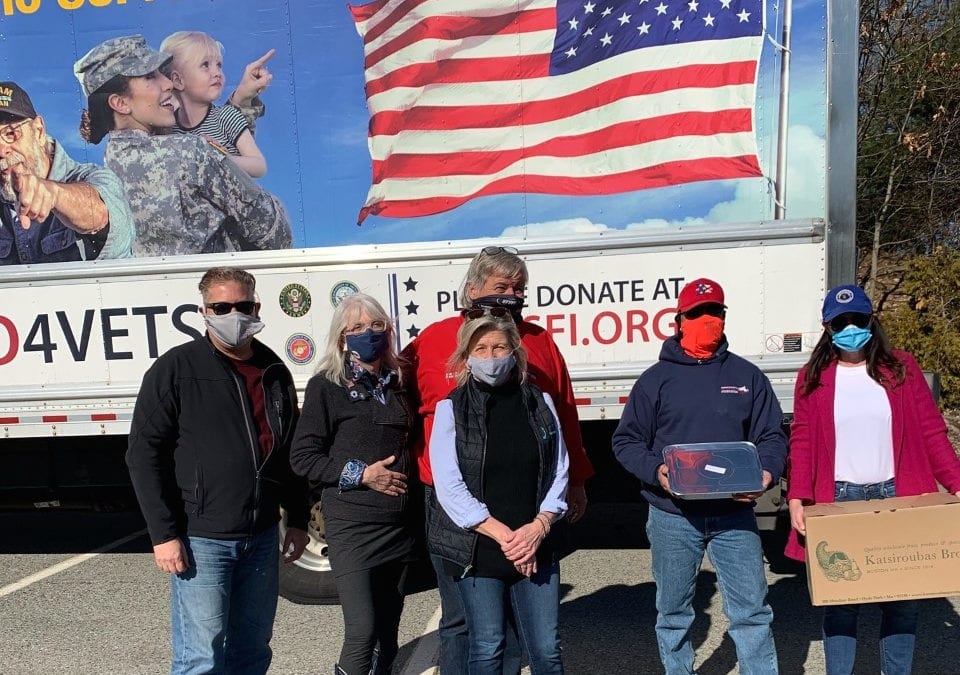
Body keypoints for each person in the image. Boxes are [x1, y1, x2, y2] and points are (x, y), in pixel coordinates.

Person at [401, 245, 593, 674]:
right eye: (501, 286)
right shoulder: (432, 340)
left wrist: (576, 478)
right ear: (472, 290)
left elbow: (562, 411)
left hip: (524, 498)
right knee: (460, 620)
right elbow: (400, 409)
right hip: (449, 498)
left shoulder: (539, 341)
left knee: (509, 627)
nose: (511, 295)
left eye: (519, 288)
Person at [126, 266, 310, 675]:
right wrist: (164, 534)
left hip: (261, 537)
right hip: (202, 541)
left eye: (243, 306)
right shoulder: (176, 369)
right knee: (201, 657)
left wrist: (297, 519)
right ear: (203, 311)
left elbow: (287, 454)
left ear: (257, 307)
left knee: (252, 651)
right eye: (221, 306)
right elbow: (143, 454)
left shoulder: (273, 371)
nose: (234, 314)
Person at [612, 277, 785, 675]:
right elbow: (627, 441)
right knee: (673, 612)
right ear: (679, 321)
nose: (708, 320)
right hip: (673, 516)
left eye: (716, 312)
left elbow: (772, 435)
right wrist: (657, 472)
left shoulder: (747, 376)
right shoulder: (656, 380)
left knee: (751, 611)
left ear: (725, 317)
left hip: (734, 515)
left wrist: (766, 473)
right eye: (697, 313)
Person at [785, 284, 960, 675]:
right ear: (827, 327)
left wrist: (956, 481)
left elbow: (931, 432)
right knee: (841, 604)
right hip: (841, 499)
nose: (850, 327)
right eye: (840, 322)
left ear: (871, 320)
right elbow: (802, 439)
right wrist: (798, 495)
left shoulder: (901, 368)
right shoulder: (812, 378)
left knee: (903, 603)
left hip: (899, 496)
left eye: (857, 319)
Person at [429, 312, 568, 674]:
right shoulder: (451, 409)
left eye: (500, 347)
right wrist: (507, 537)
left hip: (535, 542)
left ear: (515, 353)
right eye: (482, 348)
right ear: (467, 356)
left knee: (546, 650)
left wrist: (538, 527)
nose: (491, 357)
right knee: (488, 646)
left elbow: (559, 469)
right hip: (480, 545)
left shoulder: (540, 403)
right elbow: (449, 485)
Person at [289, 293, 417, 675]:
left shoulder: (400, 384)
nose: (369, 333)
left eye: (377, 325)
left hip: (399, 525)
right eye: (357, 327)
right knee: (361, 631)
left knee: (389, 630)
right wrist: (363, 473)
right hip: (354, 526)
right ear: (342, 337)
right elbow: (303, 458)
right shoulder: (326, 387)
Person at [72, 35, 292, 257]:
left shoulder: (104, 178)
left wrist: (239, 104)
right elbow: (274, 232)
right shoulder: (191, 154)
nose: (167, 83)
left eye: (162, 73)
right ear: (120, 103)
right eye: (150, 76)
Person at [0, 80, 133, 264]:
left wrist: (53, 194)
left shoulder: (94, 178)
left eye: (10, 133)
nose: (2, 150)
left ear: (38, 131)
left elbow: (100, 216)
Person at [160, 31, 267, 178]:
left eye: (219, 65)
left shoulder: (227, 116)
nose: (217, 72)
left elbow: (259, 166)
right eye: (205, 65)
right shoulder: (170, 130)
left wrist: (221, 157)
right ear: (178, 81)